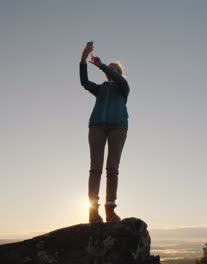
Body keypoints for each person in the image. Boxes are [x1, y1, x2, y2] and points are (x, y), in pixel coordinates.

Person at [79, 43, 130, 223]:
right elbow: (84, 83)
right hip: (97, 126)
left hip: (118, 127)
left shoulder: (123, 87)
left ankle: (110, 209)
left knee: (112, 169)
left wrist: (101, 66)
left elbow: (121, 80)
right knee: (95, 168)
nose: (110, 70)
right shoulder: (101, 89)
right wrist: (83, 59)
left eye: (113, 68)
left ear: (118, 73)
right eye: (109, 68)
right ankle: (93, 211)